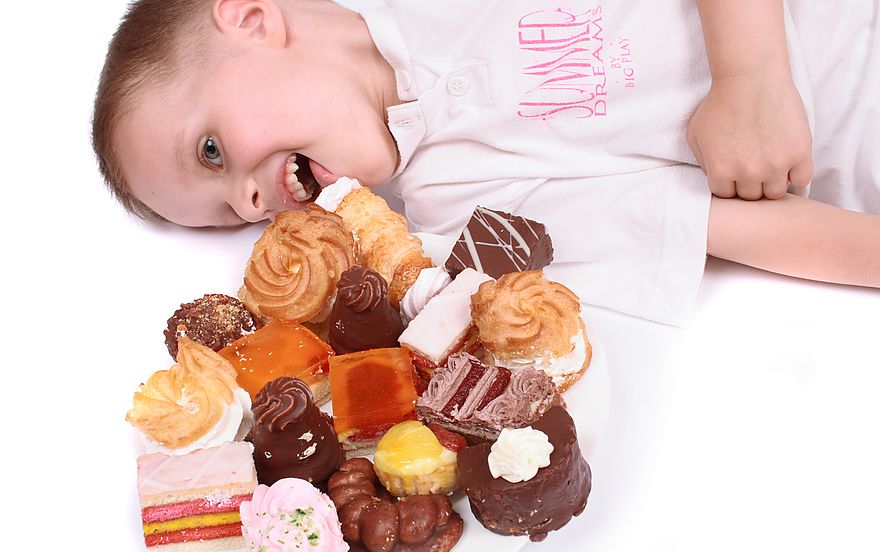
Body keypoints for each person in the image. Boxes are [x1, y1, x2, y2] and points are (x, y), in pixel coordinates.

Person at [92, 0, 879, 325]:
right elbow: (731, 227)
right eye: (230, 207)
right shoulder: (460, 224)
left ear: (252, 19)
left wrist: (751, 73)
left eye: (211, 151)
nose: (252, 197)